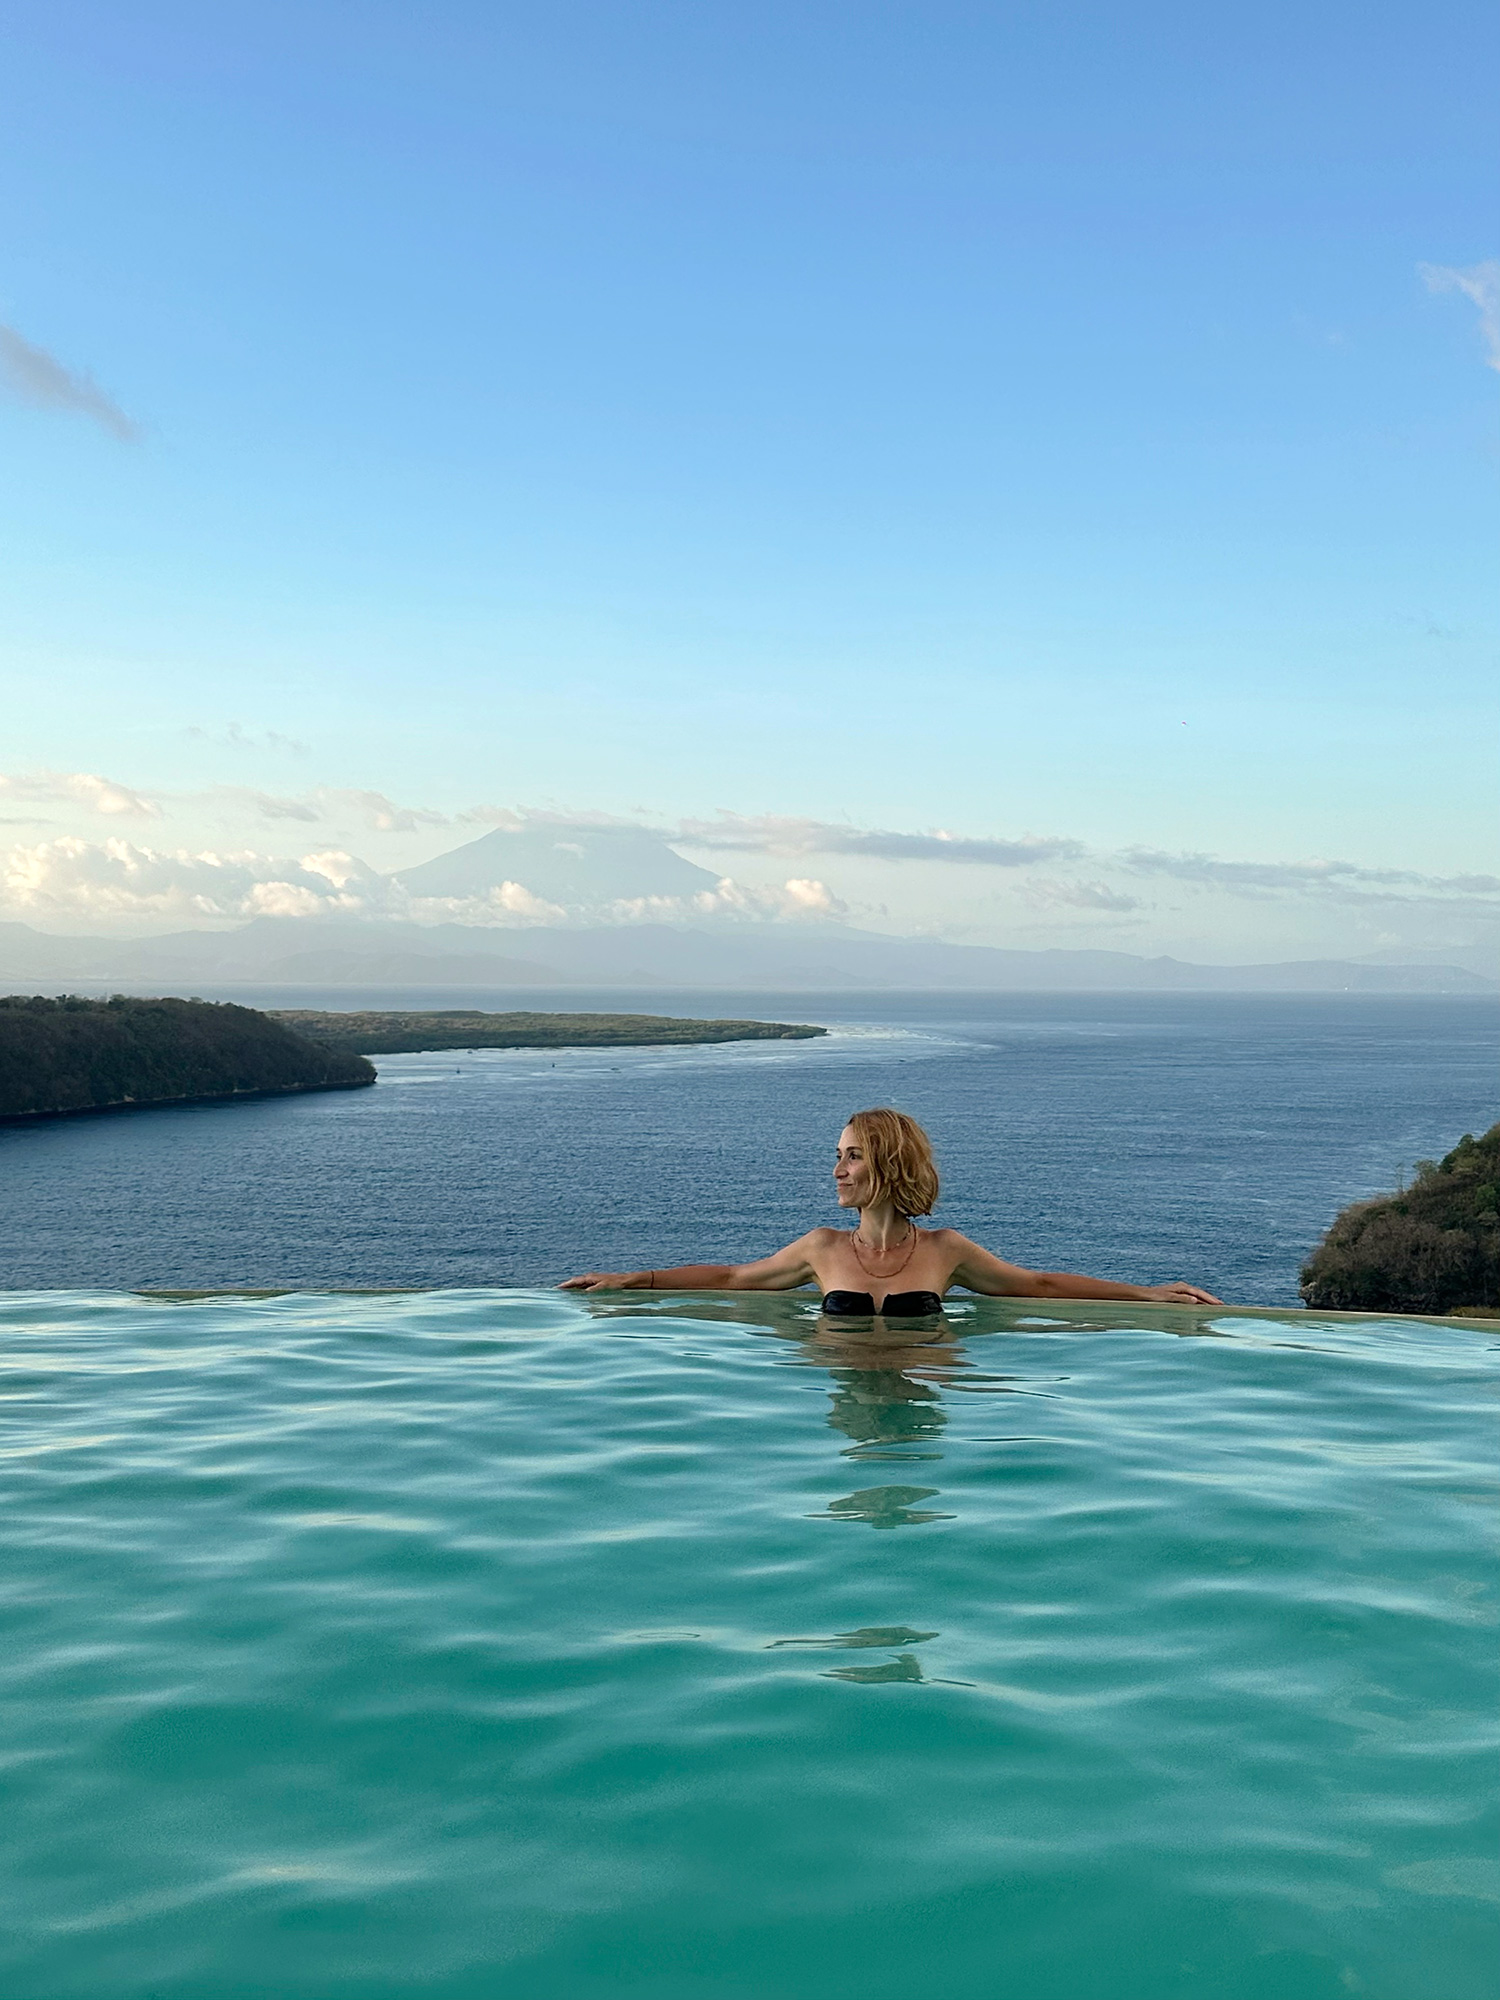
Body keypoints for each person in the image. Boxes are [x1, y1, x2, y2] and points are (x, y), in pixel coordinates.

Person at [560, 1107, 1222, 1311]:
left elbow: (1038, 1285)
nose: (837, 1170)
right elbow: (735, 1277)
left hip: (922, 1401)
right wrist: (634, 1280)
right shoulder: (821, 1248)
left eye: (852, 1157)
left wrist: (1148, 1296)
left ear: (889, 1163)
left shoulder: (944, 1252)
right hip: (844, 1406)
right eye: (838, 1155)